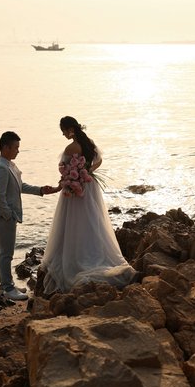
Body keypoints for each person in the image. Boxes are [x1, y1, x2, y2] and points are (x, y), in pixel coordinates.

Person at [40, 116, 138, 294]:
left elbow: (63, 169)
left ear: (69, 129)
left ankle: (77, 257)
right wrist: (88, 171)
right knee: (92, 220)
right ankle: (95, 253)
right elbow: (99, 160)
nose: (62, 134)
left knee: (74, 223)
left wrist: (72, 177)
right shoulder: (88, 142)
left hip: (74, 189)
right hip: (89, 185)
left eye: (63, 130)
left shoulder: (70, 147)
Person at [0, 131, 56, 301]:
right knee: (6, 254)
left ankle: (6, 285)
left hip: (7, 216)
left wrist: (40, 190)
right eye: (16, 147)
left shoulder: (10, 165)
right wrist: (8, 215)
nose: (18, 151)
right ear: (6, 147)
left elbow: (20, 186)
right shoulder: (1, 168)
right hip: (3, 217)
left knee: (5, 252)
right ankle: (7, 288)